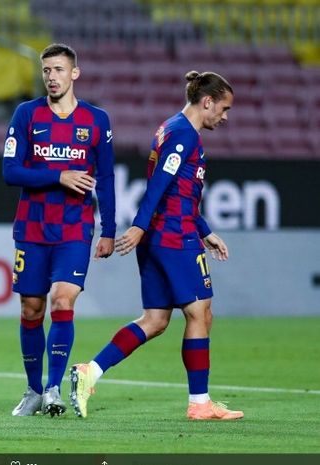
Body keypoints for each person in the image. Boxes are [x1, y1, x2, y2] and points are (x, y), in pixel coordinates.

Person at [70, 71, 244, 421]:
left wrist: (205, 230)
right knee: (201, 313)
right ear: (206, 101)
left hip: (165, 234)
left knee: (155, 319)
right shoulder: (183, 136)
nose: (224, 117)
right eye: (223, 108)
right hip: (174, 238)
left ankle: (91, 371)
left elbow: (181, 194)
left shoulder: (171, 128)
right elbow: (159, 185)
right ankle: (200, 403)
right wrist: (138, 226)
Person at [2, 43, 116, 417]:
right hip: (32, 227)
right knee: (31, 308)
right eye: (46, 70)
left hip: (75, 228)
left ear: (74, 74)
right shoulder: (26, 114)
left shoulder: (97, 120)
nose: (52, 77)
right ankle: (34, 390)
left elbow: (109, 179)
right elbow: (10, 171)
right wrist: (59, 175)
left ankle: (52, 388)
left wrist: (109, 229)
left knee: (63, 300)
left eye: (59, 70)